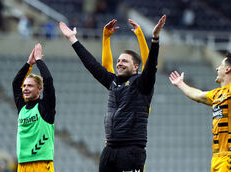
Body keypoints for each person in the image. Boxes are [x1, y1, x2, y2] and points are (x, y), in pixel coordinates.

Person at [59, 15, 166, 172]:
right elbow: (93, 65)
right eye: (118, 61)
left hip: (131, 150)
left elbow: (151, 66)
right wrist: (73, 40)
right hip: (109, 149)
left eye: (124, 61)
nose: (119, 63)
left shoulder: (142, 84)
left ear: (136, 67)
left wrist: (154, 39)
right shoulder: (114, 82)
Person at [169, 53, 231, 172]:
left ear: (228, 69)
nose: (217, 68)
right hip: (217, 157)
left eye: (220, 66)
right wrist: (180, 84)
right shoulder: (216, 94)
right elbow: (198, 95)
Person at [12, 43, 56, 172]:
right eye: (25, 86)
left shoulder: (45, 107)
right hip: (22, 165)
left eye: (30, 86)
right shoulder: (22, 108)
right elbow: (16, 84)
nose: (25, 89)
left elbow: (48, 79)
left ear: (40, 89)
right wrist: (28, 64)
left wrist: (39, 60)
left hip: (41, 163)